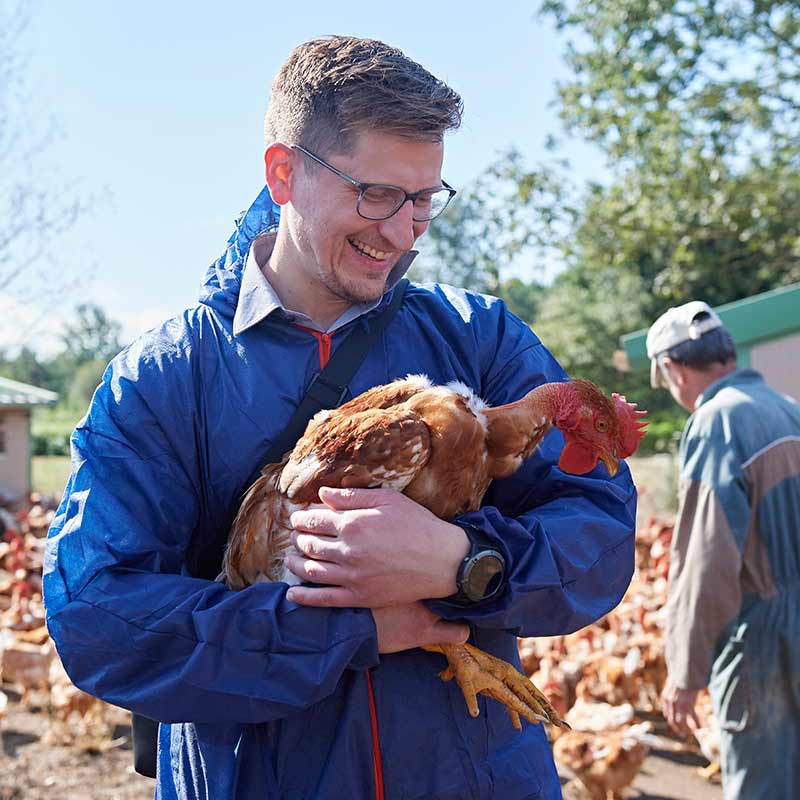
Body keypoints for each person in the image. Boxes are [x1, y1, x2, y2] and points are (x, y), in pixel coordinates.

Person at [44, 36, 636, 800]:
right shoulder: (167, 377)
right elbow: (100, 618)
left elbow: (600, 535)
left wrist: (462, 562)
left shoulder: (478, 338)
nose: (404, 231)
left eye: (424, 198)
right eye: (377, 194)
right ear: (284, 173)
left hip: (472, 777)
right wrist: (350, 630)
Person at [647, 300, 800, 799]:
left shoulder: (717, 423)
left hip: (762, 643)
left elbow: (706, 561)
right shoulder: (788, 410)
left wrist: (686, 672)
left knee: (762, 786)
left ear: (672, 368)